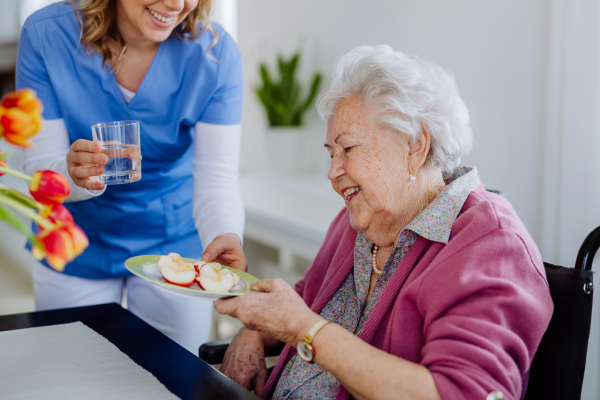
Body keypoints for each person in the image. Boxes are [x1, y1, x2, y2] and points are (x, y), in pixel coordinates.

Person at [214, 45, 554, 399]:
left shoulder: (491, 246)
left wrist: (304, 329)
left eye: (348, 149)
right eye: (331, 154)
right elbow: (311, 298)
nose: (333, 172)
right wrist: (254, 331)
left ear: (414, 145)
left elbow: (462, 392)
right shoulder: (361, 219)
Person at [16, 0, 246, 353]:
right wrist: (73, 174)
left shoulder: (215, 54)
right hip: (76, 241)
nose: (176, 4)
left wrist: (224, 234)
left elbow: (216, 177)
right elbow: (41, 168)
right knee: (69, 373)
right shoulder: (47, 35)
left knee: (175, 377)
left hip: (173, 247)